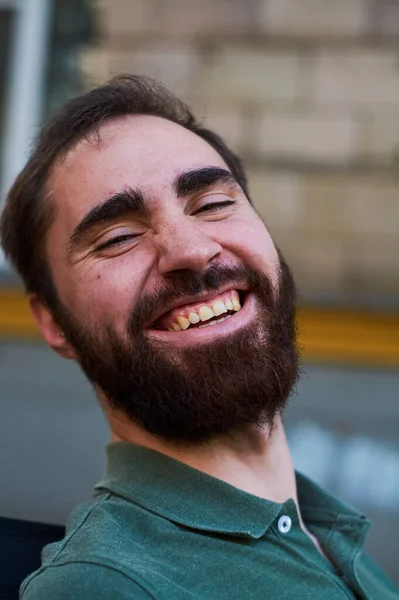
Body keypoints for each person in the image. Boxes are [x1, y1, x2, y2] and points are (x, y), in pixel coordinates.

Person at [0, 75, 397, 600]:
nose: (191, 248)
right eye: (119, 237)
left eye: (212, 204)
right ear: (52, 321)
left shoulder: (326, 533)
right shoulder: (103, 586)